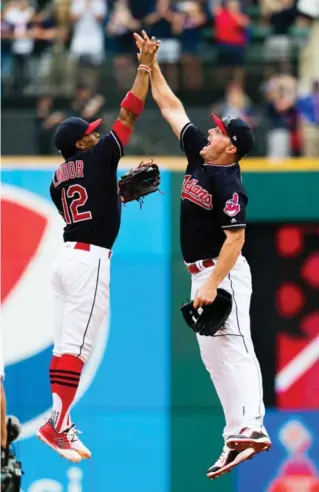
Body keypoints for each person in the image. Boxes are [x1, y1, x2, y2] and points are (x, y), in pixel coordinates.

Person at [134, 30, 271, 480]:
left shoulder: (229, 181)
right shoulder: (200, 154)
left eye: (219, 130)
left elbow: (236, 240)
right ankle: (236, 435)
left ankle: (253, 424)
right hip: (203, 274)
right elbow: (172, 106)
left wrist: (213, 284)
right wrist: (148, 66)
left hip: (223, 271)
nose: (210, 130)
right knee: (214, 358)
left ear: (231, 146)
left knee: (237, 347)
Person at [36, 33, 159, 463]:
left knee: (64, 346)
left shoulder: (56, 179)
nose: (95, 135)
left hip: (66, 258)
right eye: (89, 134)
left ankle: (60, 421)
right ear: (81, 143)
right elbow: (130, 111)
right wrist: (144, 68)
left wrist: (114, 194)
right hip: (90, 262)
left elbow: (87, 206)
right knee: (79, 348)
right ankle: (56, 424)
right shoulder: (101, 155)